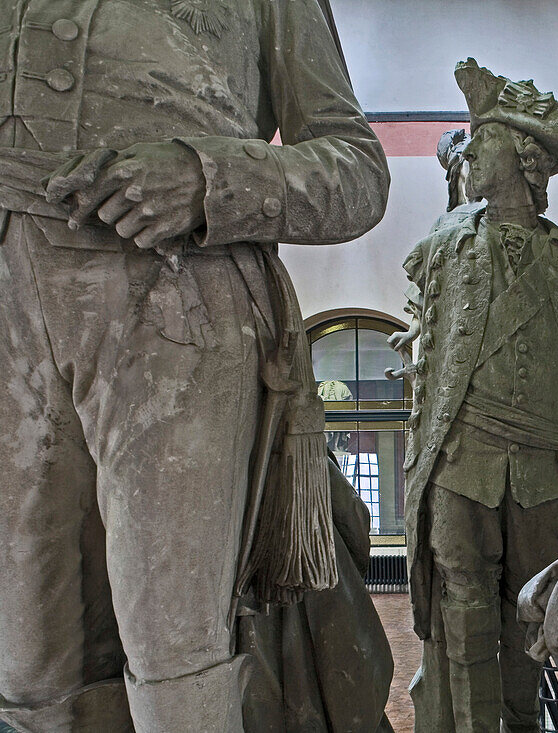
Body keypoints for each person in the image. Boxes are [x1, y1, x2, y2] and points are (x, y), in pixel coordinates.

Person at [0, 1, 389, 730]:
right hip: (8, 313)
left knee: (177, 665)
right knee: (29, 676)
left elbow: (357, 170)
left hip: (180, 307)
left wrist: (207, 177)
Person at [395, 59, 558, 733]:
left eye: (484, 138)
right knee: (463, 614)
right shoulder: (442, 246)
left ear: (526, 158)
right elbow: (430, 324)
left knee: (527, 614)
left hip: (547, 469)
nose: (469, 150)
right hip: (462, 461)